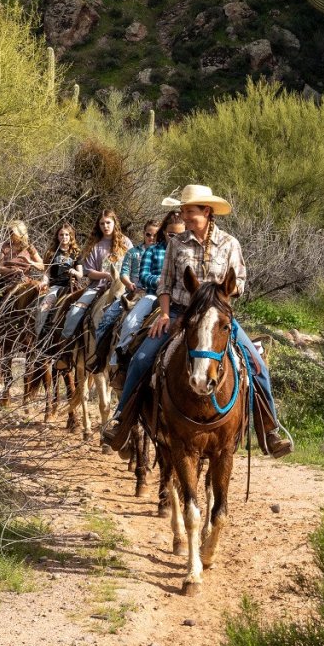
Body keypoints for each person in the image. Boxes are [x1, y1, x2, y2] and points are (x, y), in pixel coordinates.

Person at [101, 184, 294, 458]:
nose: (184, 216)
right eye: (183, 211)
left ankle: (269, 430)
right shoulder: (176, 244)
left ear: (206, 211)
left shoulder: (229, 243)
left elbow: (239, 280)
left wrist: (222, 291)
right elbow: (165, 284)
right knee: (142, 358)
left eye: (189, 212)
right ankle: (122, 422)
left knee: (257, 365)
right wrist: (165, 314)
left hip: (216, 317)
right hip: (181, 313)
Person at [107, 209, 184, 370]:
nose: (175, 239)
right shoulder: (153, 250)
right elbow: (144, 275)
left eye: (180, 235)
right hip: (153, 295)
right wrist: (163, 281)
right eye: (171, 234)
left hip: (181, 298)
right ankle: (121, 358)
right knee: (130, 322)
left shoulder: (187, 251)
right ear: (164, 232)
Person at [59, 208, 133, 342]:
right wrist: (106, 275)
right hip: (98, 288)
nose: (105, 226)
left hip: (124, 288)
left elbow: (134, 264)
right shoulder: (96, 246)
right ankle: (65, 344)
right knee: (75, 312)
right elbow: (89, 272)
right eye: (102, 223)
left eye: (108, 222)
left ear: (114, 223)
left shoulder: (126, 242)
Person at [35, 222, 82, 340]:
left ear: (71, 236)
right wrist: (44, 282)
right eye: (61, 235)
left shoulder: (76, 253)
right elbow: (47, 273)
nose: (64, 237)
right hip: (56, 287)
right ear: (57, 236)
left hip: (72, 287)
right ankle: (38, 336)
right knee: (43, 308)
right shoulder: (52, 252)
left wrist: (74, 272)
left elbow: (81, 274)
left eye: (67, 235)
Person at [0, 220, 47, 290]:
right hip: (6, 281)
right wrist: (13, 270)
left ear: (19, 233)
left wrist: (31, 263)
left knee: (38, 288)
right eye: (9, 231)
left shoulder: (29, 247)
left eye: (12, 232)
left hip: (24, 282)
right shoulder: (5, 246)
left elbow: (43, 266)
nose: (9, 234)